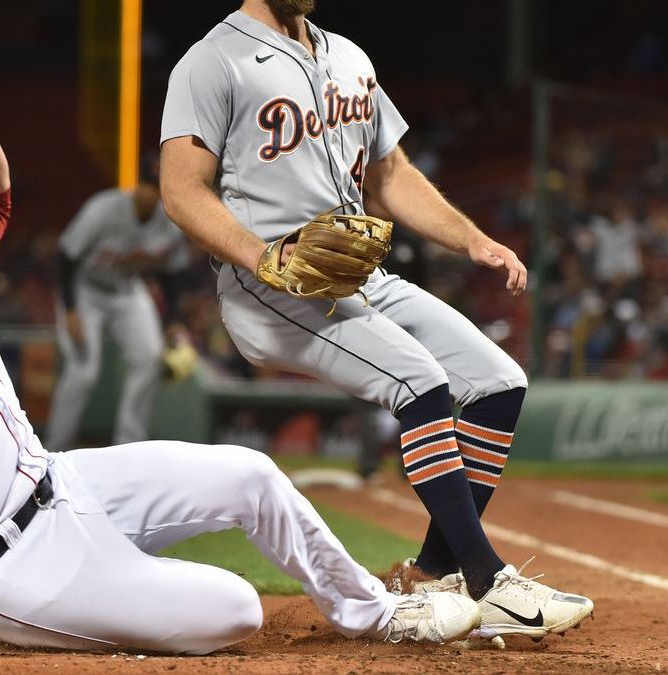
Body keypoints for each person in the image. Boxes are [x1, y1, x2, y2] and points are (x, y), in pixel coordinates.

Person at [0, 74, 481, 654]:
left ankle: (379, 611)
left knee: (252, 475)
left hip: (62, 482)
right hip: (12, 567)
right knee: (236, 607)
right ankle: (109, 587)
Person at [159, 0, 593, 643]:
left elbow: (392, 173)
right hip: (270, 286)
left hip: (358, 278)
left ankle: (435, 573)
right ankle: (487, 580)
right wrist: (261, 255)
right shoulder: (211, 61)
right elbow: (181, 189)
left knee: (497, 379)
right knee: (419, 379)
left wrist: (471, 240)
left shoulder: (348, 56)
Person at [43, 155, 191, 450]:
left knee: (149, 356)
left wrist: (172, 318)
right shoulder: (104, 208)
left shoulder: (170, 221)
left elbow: (170, 274)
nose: (152, 193)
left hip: (126, 288)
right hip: (85, 288)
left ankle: (129, 447)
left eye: (158, 186)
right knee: (84, 371)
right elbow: (66, 257)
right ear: (137, 185)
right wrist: (71, 310)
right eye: (148, 185)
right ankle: (55, 449)